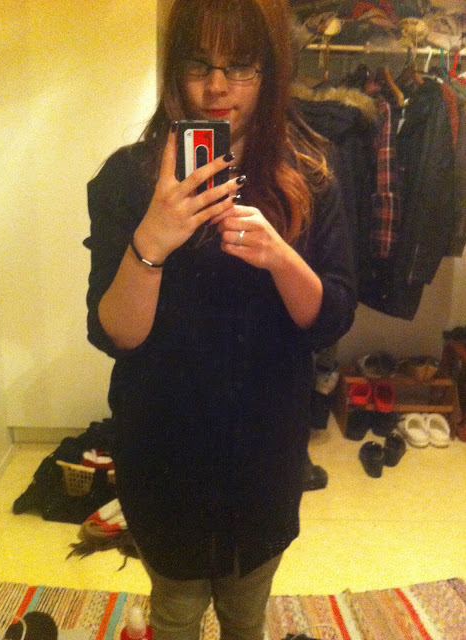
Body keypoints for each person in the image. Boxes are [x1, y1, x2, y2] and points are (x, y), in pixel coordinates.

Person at [84, 0, 357, 638]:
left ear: (271, 71)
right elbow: (117, 333)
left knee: (244, 613)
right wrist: (152, 239)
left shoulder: (309, 174)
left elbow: (330, 317)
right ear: (174, 69)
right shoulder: (127, 179)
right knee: (176, 612)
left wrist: (281, 257)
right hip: (164, 450)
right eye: (198, 64)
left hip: (265, 451)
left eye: (240, 66)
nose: (215, 87)